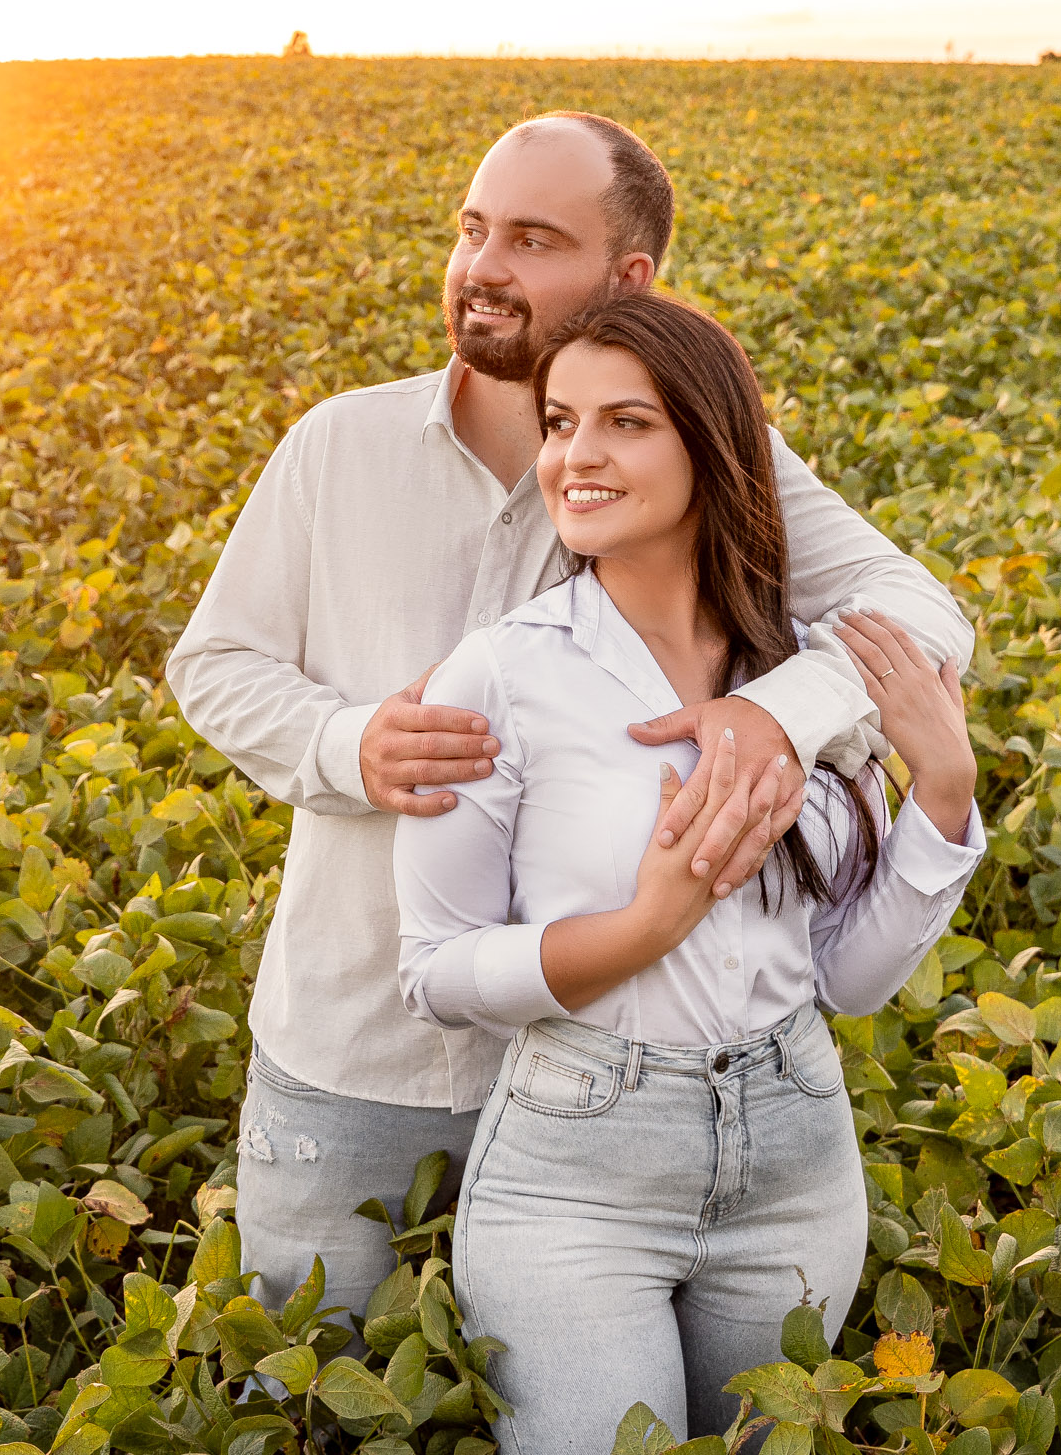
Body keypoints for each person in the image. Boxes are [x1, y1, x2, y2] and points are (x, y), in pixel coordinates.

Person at [164, 112, 974, 1315]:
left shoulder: (692, 450)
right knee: (312, 1387)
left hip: (598, 1075)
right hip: (349, 1044)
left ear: (626, 280)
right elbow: (215, 661)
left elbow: (921, 614)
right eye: (471, 229)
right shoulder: (337, 444)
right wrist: (349, 744)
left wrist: (770, 715)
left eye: (532, 240)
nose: (482, 267)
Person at [392, 292, 983, 1449]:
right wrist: (641, 927)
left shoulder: (808, 674)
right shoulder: (500, 675)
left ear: (714, 447)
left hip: (796, 1153)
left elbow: (847, 980)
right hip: (574, 1170)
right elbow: (435, 969)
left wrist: (945, 795)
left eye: (625, 422)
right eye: (560, 422)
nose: (575, 455)